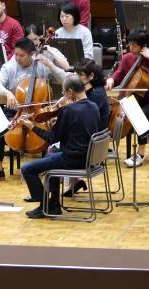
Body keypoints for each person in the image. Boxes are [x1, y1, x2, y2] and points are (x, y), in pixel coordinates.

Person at [19, 75, 101, 219]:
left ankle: (44, 205)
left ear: (70, 92)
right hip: (89, 157)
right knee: (50, 157)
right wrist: (60, 124)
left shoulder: (68, 111)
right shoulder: (94, 106)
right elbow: (79, 129)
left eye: (64, 93)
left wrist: (32, 126)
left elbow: (52, 139)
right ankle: (54, 204)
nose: (63, 96)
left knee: (27, 169)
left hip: (73, 159)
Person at [0, 37, 67, 180]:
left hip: (38, 113)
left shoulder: (41, 65)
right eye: (16, 54)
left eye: (21, 55)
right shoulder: (9, 66)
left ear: (31, 54)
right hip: (16, 110)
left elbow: (64, 79)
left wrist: (51, 66)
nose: (17, 58)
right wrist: (7, 92)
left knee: (58, 125)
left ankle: (51, 166)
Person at [105, 27, 149, 167]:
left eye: (134, 45)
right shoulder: (128, 57)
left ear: (144, 46)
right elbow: (120, 73)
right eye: (130, 44)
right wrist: (111, 80)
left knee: (140, 114)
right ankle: (105, 147)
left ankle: (140, 154)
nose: (130, 47)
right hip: (132, 98)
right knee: (106, 110)